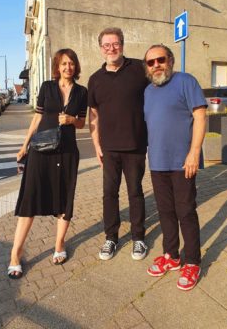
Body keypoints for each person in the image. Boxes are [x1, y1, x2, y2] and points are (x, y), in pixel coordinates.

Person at [8, 48, 87, 279]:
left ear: (76, 66)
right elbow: (38, 117)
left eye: (71, 63)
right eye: (63, 63)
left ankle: (59, 244)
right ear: (57, 66)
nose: (67, 67)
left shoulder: (82, 92)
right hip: (41, 150)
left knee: (65, 198)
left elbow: (82, 123)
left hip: (67, 152)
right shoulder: (47, 87)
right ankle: (15, 253)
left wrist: (72, 120)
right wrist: (25, 145)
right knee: (30, 199)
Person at [143, 44, 207, 291]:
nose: (156, 65)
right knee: (165, 212)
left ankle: (192, 261)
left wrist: (194, 153)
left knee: (186, 212)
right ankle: (171, 255)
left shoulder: (185, 81)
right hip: (157, 162)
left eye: (160, 59)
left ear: (170, 60)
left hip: (183, 162)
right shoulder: (148, 92)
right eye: (151, 62)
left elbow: (201, 116)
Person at [88, 27, 148, 261]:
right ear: (101, 49)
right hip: (109, 148)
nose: (111, 49)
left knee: (135, 192)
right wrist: (97, 146)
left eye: (115, 44)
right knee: (109, 194)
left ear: (122, 44)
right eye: (106, 45)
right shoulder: (95, 79)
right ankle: (111, 238)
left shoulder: (139, 70)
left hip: (135, 145)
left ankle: (138, 238)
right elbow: (94, 115)